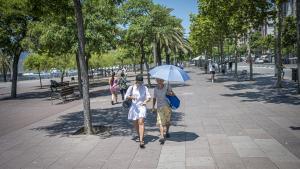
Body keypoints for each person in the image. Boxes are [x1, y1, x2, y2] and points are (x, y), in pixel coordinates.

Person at [125, 74, 151, 148]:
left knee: (141, 122)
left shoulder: (144, 87)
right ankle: (140, 135)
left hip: (142, 106)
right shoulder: (131, 87)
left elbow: (149, 97)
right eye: (139, 82)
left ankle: (141, 140)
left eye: (141, 82)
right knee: (135, 123)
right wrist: (131, 97)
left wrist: (146, 101)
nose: (140, 84)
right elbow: (126, 96)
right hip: (134, 107)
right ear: (136, 81)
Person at [152, 78, 174, 145]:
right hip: (159, 108)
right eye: (158, 80)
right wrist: (153, 107)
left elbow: (173, 94)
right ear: (156, 81)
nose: (159, 81)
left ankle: (167, 131)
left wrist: (170, 93)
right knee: (160, 122)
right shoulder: (155, 89)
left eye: (161, 80)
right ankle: (162, 136)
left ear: (163, 80)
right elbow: (154, 98)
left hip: (167, 107)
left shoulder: (167, 86)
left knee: (167, 121)